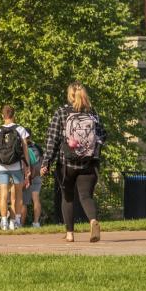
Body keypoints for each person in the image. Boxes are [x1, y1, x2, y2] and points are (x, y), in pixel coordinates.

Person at [42, 82, 106, 243]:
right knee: (86, 196)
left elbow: (53, 139)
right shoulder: (92, 113)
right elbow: (103, 135)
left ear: (69, 95)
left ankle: (70, 234)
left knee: (68, 197)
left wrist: (46, 162)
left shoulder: (62, 112)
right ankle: (92, 220)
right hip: (89, 163)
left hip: (66, 163)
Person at [0, 105, 32, 231]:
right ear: (14, 115)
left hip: (1, 167)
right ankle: (16, 221)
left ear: (2, 115)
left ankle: (4, 221)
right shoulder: (20, 129)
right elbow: (25, 149)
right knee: (18, 194)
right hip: (16, 166)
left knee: (3, 194)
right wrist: (27, 165)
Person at [23, 137, 44, 227]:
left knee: (24, 202)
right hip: (37, 175)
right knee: (36, 199)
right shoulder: (37, 148)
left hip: (26, 177)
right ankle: (36, 222)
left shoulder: (23, 148)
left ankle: (20, 224)